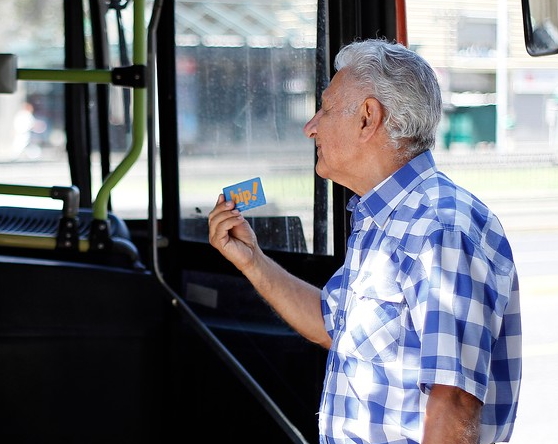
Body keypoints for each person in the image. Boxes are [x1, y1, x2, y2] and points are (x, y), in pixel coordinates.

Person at [208, 39, 521, 444]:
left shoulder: (440, 227)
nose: (311, 126)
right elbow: (329, 323)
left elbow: (454, 403)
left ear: (367, 118)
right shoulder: (382, 218)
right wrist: (252, 260)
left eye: (325, 108)